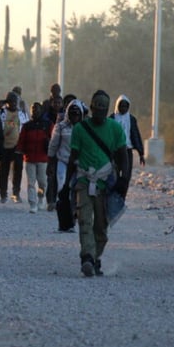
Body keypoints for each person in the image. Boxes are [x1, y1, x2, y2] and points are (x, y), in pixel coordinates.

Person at [64, 91, 129, 277]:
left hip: (105, 183)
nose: (100, 113)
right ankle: (87, 258)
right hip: (83, 181)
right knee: (84, 220)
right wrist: (65, 186)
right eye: (97, 109)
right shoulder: (80, 129)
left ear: (108, 110)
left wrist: (124, 180)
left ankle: (95, 257)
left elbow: (123, 156)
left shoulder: (115, 129)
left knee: (101, 226)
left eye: (104, 109)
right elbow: (73, 157)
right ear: (91, 108)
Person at [47, 99, 84, 220]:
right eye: (72, 114)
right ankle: (65, 213)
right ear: (68, 113)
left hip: (79, 164)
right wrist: (50, 163)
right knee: (63, 187)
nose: (75, 116)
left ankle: (75, 210)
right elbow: (53, 145)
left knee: (78, 189)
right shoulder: (60, 127)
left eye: (77, 114)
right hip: (63, 162)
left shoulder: (85, 128)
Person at [17, 102, 53, 213]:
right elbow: (21, 140)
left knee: (42, 182)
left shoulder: (48, 125)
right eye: (33, 109)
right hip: (30, 158)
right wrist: (19, 151)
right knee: (31, 182)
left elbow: (53, 139)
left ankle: (41, 198)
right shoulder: (27, 126)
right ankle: (32, 203)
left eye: (37, 109)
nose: (35, 111)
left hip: (43, 158)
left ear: (41, 111)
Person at [0, 92, 27, 203]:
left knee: (18, 170)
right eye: (11, 101)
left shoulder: (21, 114)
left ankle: (16, 192)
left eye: (15, 102)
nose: (14, 104)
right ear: (7, 102)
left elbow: (25, 127)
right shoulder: (1, 113)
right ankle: (3, 193)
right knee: (3, 171)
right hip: (4, 146)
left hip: (17, 146)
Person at [109, 95, 146, 181]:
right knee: (115, 173)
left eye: (125, 106)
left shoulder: (131, 119)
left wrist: (141, 153)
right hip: (115, 151)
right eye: (121, 106)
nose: (123, 108)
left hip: (127, 150)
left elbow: (136, 135)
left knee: (127, 174)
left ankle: (123, 191)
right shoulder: (112, 119)